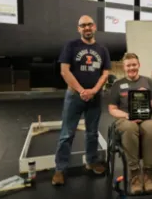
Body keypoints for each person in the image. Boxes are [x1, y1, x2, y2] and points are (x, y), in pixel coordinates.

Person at [52, 15, 111, 185]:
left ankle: (91, 162)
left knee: (92, 132)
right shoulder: (71, 46)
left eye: (89, 24)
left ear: (95, 27)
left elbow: (105, 73)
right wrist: (81, 91)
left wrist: (93, 91)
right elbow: (64, 71)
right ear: (78, 29)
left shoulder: (102, 49)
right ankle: (60, 169)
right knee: (66, 134)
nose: (86, 28)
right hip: (74, 97)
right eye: (83, 25)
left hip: (95, 97)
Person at [108, 53, 152, 194]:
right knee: (129, 128)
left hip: (146, 116)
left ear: (139, 65)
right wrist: (127, 115)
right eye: (128, 65)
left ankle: (148, 174)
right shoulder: (117, 85)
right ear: (124, 67)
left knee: (151, 127)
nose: (131, 68)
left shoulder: (148, 82)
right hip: (125, 118)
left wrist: (147, 99)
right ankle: (135, 175)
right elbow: (112, 109)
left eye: (134, 64)